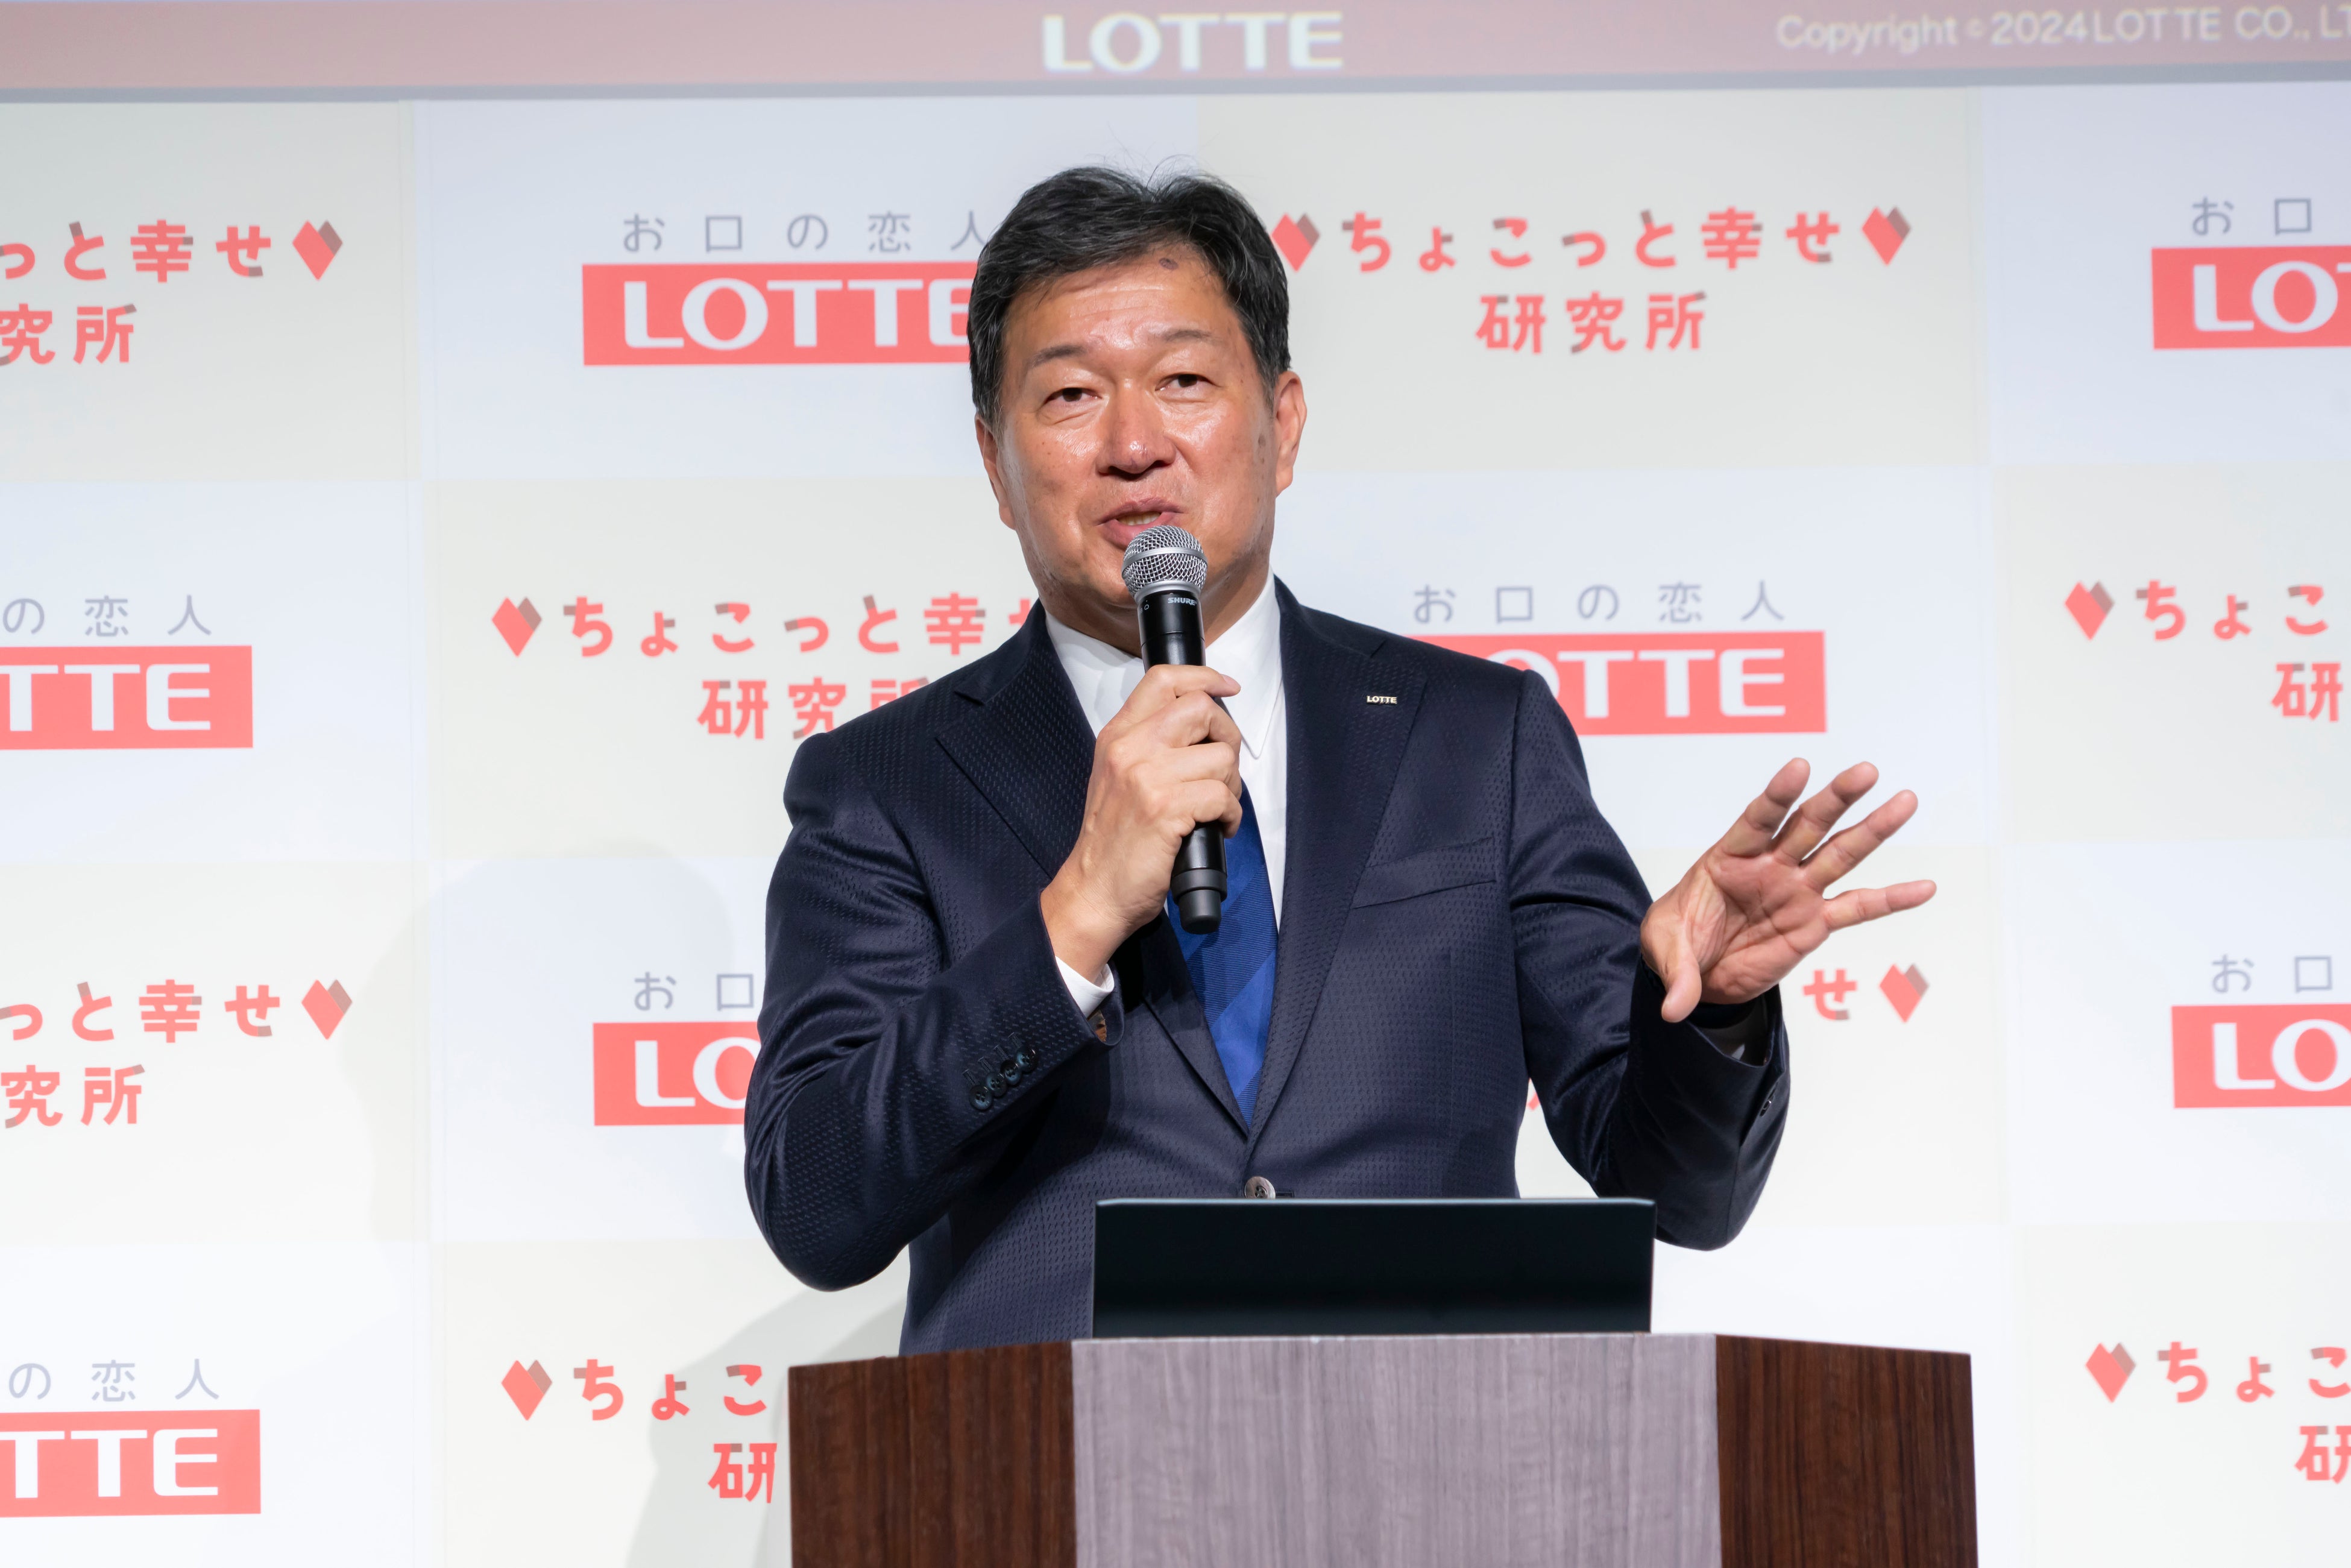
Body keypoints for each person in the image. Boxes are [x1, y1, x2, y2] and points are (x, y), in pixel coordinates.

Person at [744, 167, 1933, 1353]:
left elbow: (1679, 1191)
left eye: (1184, 381)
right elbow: (815, 1203)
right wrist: (1075, 918)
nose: (1134, 444)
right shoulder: (887, 786)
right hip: (1047, 1456)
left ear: (1285, 424)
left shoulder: (1479, 739)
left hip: (1435, 1444)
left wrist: (1708, 1014)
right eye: (1070, 395)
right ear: (995, 464)